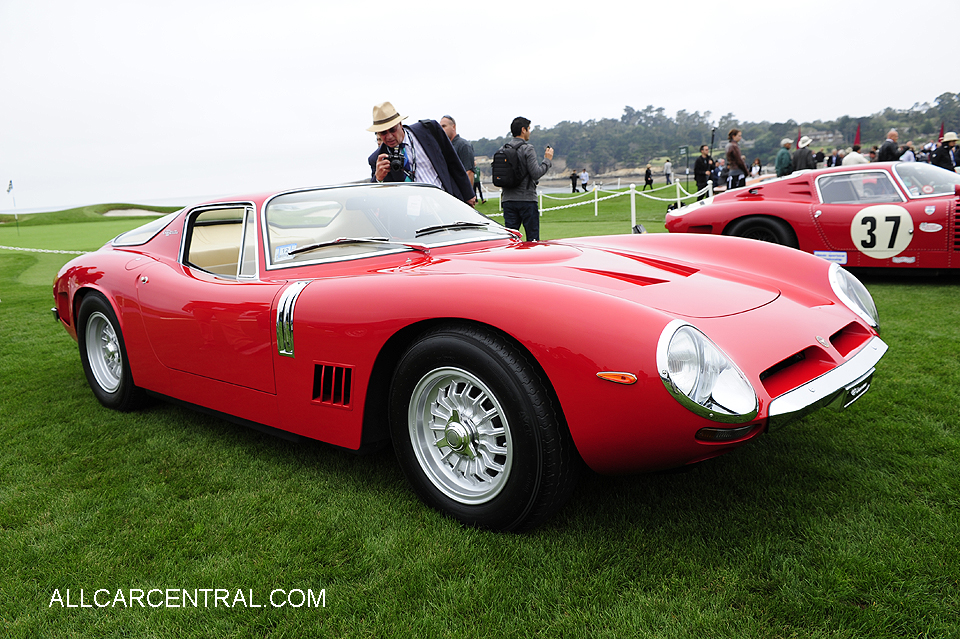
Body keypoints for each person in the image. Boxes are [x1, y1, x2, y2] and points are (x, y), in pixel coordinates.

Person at [367, 101, 475, 205]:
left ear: (400, 124)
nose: (389, 136)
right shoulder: (377, 159)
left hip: (446, 202)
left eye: (392, 130)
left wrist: (468, 194)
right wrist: (378, 179)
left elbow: (453, 161)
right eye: (383, 133)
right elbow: (376, 198)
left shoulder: (428, 129)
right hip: (414, 217)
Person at [500, 116, 553, 241]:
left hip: (508, 200)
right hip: (527, 199)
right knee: (533, 240)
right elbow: (536, 173)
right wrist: (547, 160)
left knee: (511, 240)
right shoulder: (527, 148)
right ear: (523, 130)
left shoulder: (503, 149)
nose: (529, 132)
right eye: (529, 129)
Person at [440, 115, 476, 188]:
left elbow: (469, 173)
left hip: (460, 193)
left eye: (444, 126)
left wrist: (467, 196)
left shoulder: (463, 145)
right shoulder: (444, 147)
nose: (441, 129)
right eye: (440, 127)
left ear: (453, 127)